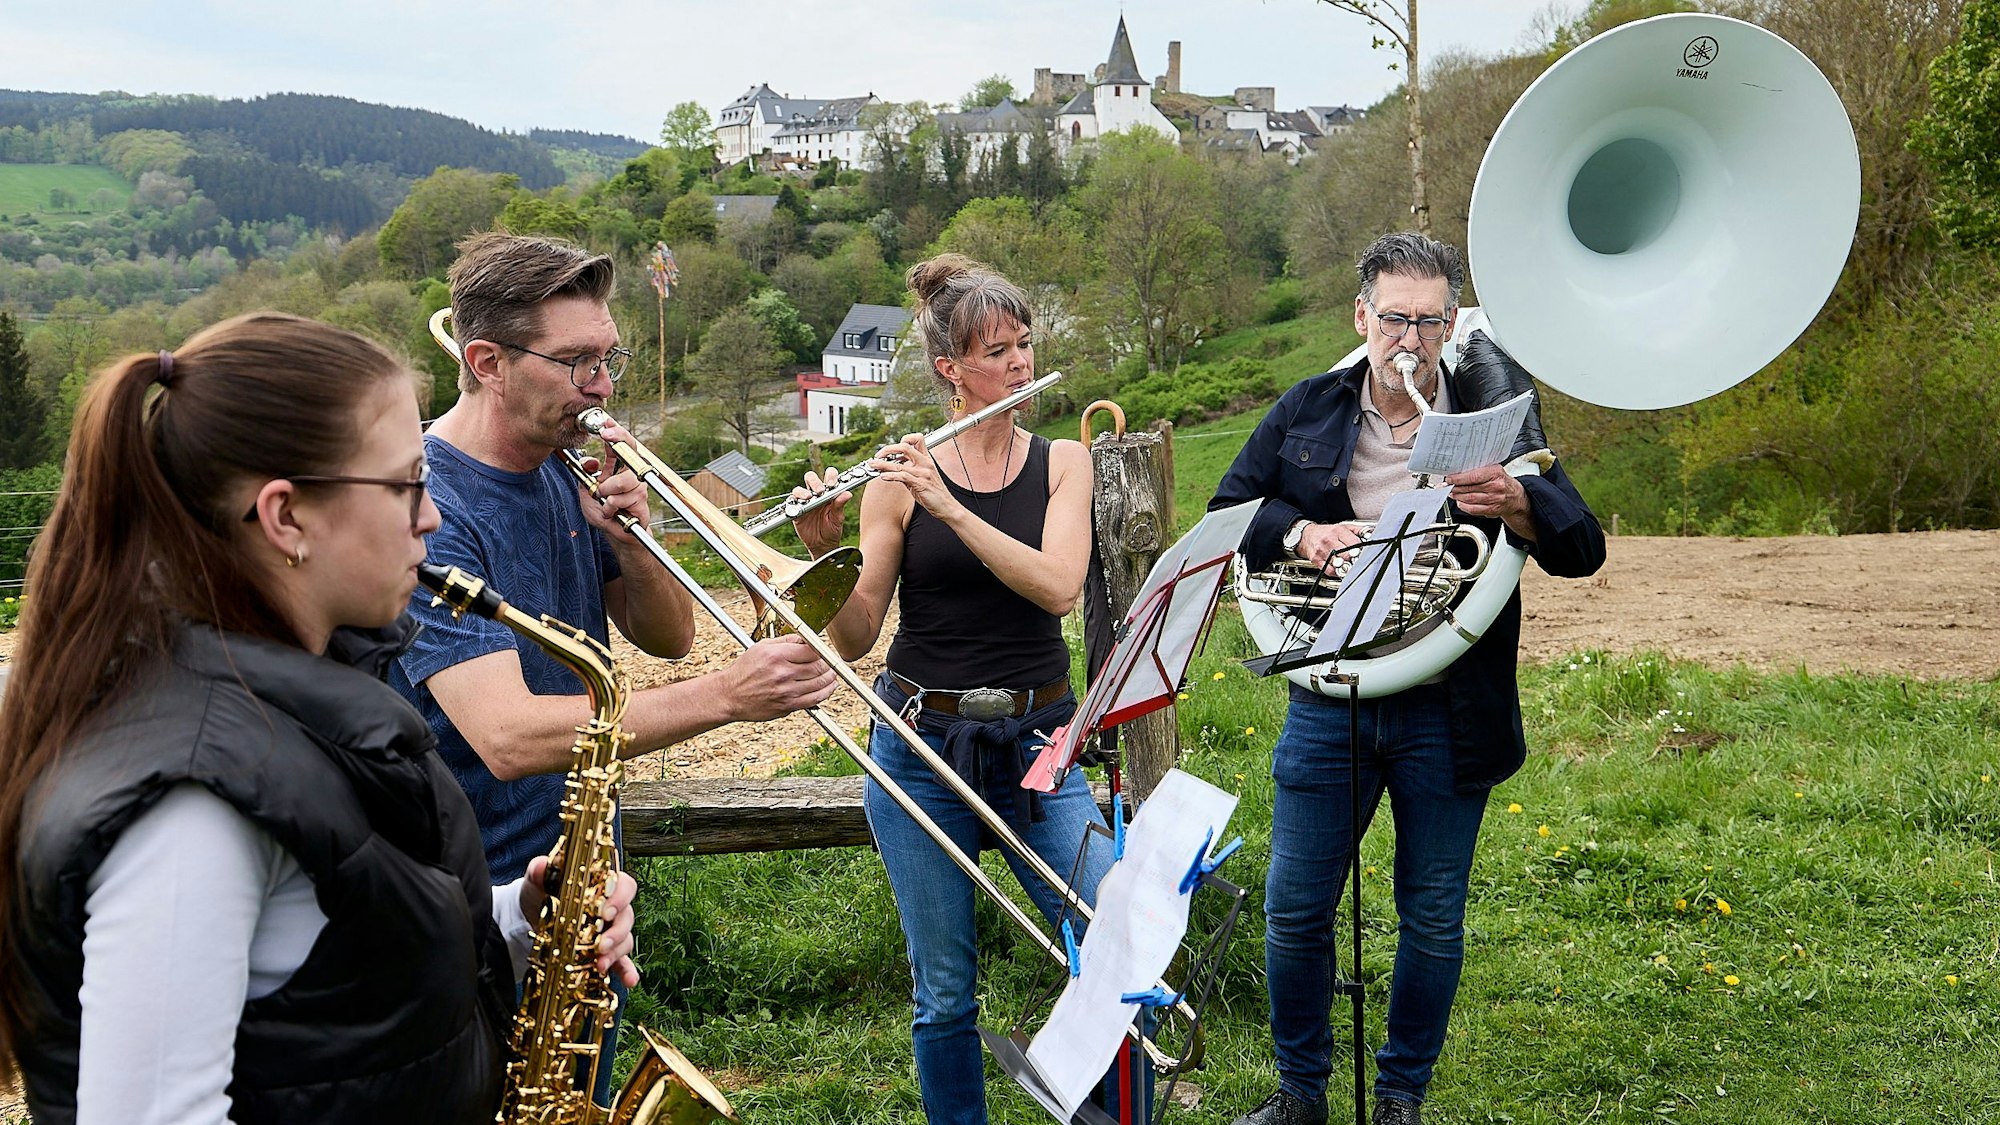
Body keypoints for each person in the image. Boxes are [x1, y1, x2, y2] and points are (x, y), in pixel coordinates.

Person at [0, 314, 640, 1125]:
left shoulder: (305, 700)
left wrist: (519, 917)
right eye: (407, 482)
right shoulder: (194, 802)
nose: (433, 517)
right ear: (285, 517)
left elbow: (323, 988)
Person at [1215, 232, 1607, 1125]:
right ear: (1362, 317)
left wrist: (1519, 502)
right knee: (1295, 910)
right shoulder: (1310, 406)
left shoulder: (1498, 412)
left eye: (1430, 322)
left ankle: (1398, 1099)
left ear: (1452, 323)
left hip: (1448, 704)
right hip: (1332, 688)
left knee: (1431, 915)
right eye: (1394, 318)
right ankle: (1301, 1095)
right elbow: (1230, 507)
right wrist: (1301, 535)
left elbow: (1584, 547)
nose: (1410, 339)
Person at [789, 253, 1122, 1125]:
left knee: (1119, 948)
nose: (1020, 364)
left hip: (1040, 737)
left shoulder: (1060, 464)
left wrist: (951, 507)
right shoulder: (898, 478)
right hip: (922, 741)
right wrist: (827, 557)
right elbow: (858, 632)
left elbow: (1056, 585)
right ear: (950, 369)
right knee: (944, 990)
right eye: (998, 351)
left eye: (1024, 344)